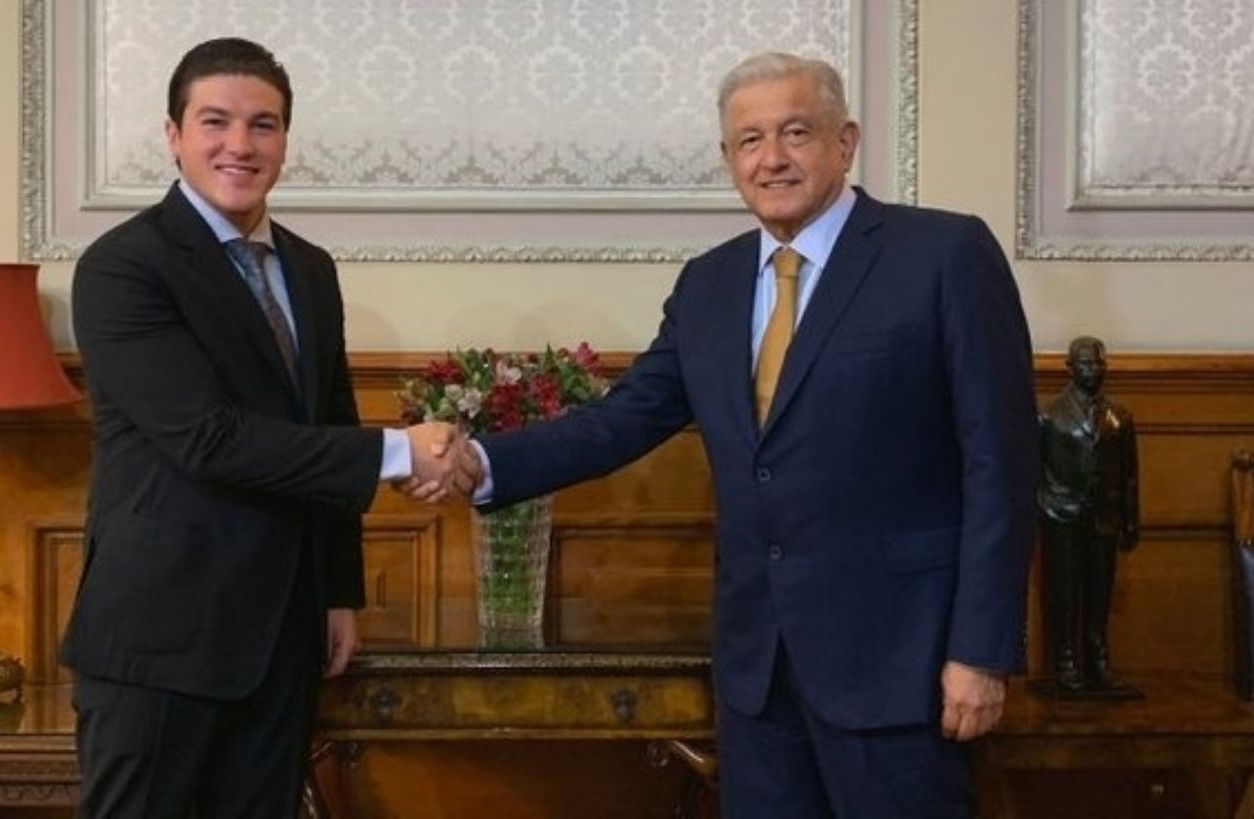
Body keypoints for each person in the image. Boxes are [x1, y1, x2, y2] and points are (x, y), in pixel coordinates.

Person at [416, 51, 1039, 818]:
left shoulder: (943, 255)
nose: (771, 158)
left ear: (845, 142)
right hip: (758, 677)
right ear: (728, 158)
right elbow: (623, 419)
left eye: (795, 132)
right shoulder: (710, 282)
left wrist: (981, 650)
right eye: (750, 140)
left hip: (901, 668)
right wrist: (479, 460)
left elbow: (1001, 465)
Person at [62, 37, 469, 819]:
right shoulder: (124, 266)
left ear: (285, 139)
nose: (240, 145)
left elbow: (328, 420)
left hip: (283, 634)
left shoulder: (310, 269)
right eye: (215, 122)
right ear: (174, 135)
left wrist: (338, 592)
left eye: (264, 124)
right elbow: (206, 438)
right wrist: (401, 450)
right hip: (160, 640)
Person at [1038, 336, 1139, 693]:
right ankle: (1065, 661)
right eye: (1084, 363)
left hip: (1104, 517)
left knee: (1100, 591)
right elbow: (1035, 471)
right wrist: (1044, 508)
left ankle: (1098, 658)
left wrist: (1131, 520)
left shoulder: (1119, 418)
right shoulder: (1049, 415)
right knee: (1064, 590)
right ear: (1069, 367)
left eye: (1098, 363)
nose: (1092, 370)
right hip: (1062, 517)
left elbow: (1129, 475)